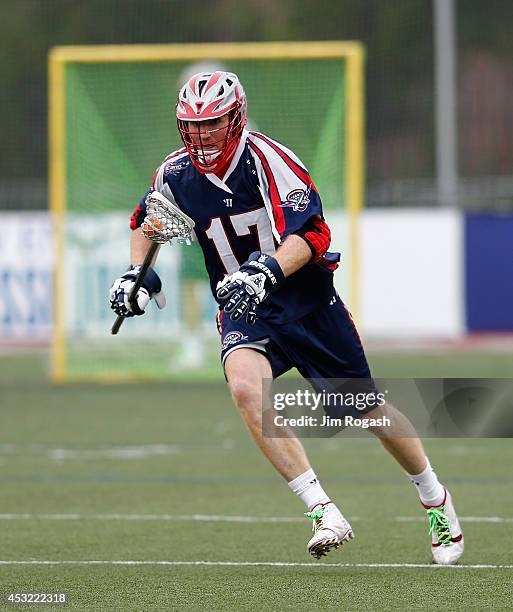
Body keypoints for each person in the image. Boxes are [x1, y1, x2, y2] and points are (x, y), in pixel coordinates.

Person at [109, 71, 464, 563]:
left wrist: (267, 271)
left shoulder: (271, 162)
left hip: (307, 305)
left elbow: (313, 236)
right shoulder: (175, 174)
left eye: (210, 124)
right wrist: (135, 273)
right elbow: (149, 220)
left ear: (235, 118)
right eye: (191, 126)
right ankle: (322, 510)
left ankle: (434, 495)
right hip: (246, 308)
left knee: (365, 410)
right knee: (244, 387)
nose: (200, 136)